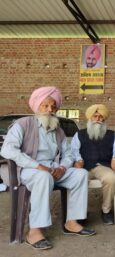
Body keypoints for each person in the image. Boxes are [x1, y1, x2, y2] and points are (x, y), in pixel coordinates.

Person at [0, 86, 95, 250]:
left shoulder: (58, 129)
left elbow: (69, 154)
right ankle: (35, 231)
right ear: (37, 106)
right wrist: (38, 166)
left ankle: (72, 222)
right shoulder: (23, 124)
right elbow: (7, 150)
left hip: (53, 170)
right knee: (43, 177)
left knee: (81, 174)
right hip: (26, 169)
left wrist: (63, 168)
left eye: (53, 106)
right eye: (45, 105)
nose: (50, 109)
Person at [71, 104, 115, 225]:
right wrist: (78, 159)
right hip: (84, 166)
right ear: (90, 118)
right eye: (95, 116)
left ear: (104, 120)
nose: (97, 119)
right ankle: (80, 213)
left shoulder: (112, 135)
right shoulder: (79, 134)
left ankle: (106, 210)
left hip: (103, 166)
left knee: (111, 178)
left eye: (100, 117)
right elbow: (73, 150)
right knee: (78, 179)